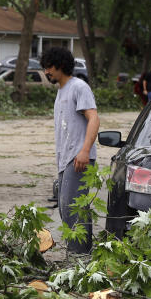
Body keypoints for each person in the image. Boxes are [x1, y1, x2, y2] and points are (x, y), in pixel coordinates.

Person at [40, 47, 100, 254]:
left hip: (79, 158)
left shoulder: (78, 87)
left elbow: (93, 118)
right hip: (66, 160)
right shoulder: (61, 92)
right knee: (67, 208)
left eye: (49, 67)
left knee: (74, 208)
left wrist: (84, 151)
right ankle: (77, 255)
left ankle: (80, 258)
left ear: (61, 66)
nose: (47, 72)